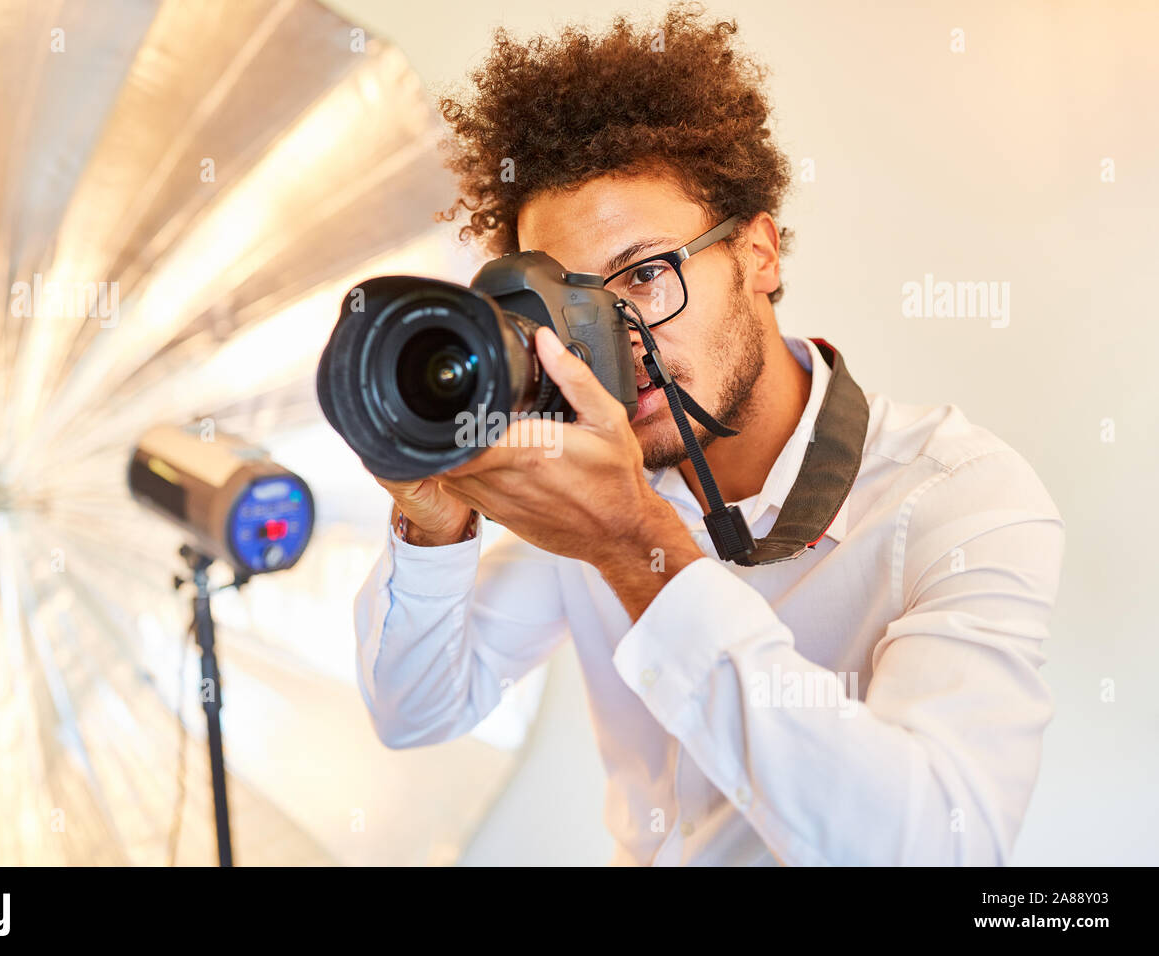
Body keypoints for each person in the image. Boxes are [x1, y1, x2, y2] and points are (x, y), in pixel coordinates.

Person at [350, 5, 1064, 865]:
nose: (618, 342)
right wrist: (435, 528)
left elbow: (930, 847)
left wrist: (635, 545)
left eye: (647, 274)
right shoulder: (593, 479)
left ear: (759, 252)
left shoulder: (960, 496)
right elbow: (416, 711)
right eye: (577, 307)